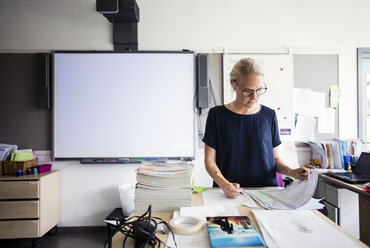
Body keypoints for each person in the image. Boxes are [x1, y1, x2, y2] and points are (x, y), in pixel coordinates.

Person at [203, 58, 310, 199]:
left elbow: (275, 158)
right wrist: (223, 184)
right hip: (228, 194)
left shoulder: (269, 115)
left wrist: (292, 172)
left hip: (266, 193)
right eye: (247, 91)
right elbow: (209, 160)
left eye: (259, 90)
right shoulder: (217, 115)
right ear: (233, 84)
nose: (254, 97)